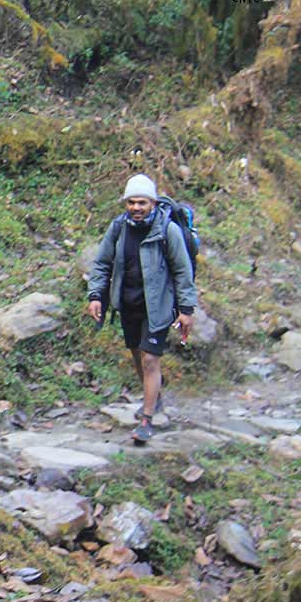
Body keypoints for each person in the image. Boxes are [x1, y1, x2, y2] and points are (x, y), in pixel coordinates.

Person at [86, 174, 196, 443]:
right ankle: (154, 398)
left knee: (150, 359)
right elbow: (102, 263)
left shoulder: (167, 230)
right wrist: (96, 295)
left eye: (142, 203)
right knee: (137, 352)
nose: (136, 208)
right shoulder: (119, 228)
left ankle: (146, 419)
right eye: (131, 202)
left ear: (153, 203)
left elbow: (183, 271)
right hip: (128, 302)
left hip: (158, 306)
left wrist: (186, 309)